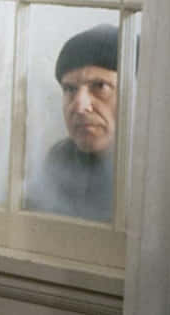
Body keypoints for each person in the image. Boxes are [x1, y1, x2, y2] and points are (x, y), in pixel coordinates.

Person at [25, 24, 119, 222]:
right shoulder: (59, 158)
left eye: (100, 86)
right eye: (69, 89)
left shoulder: (155, 169)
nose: (79, 106)